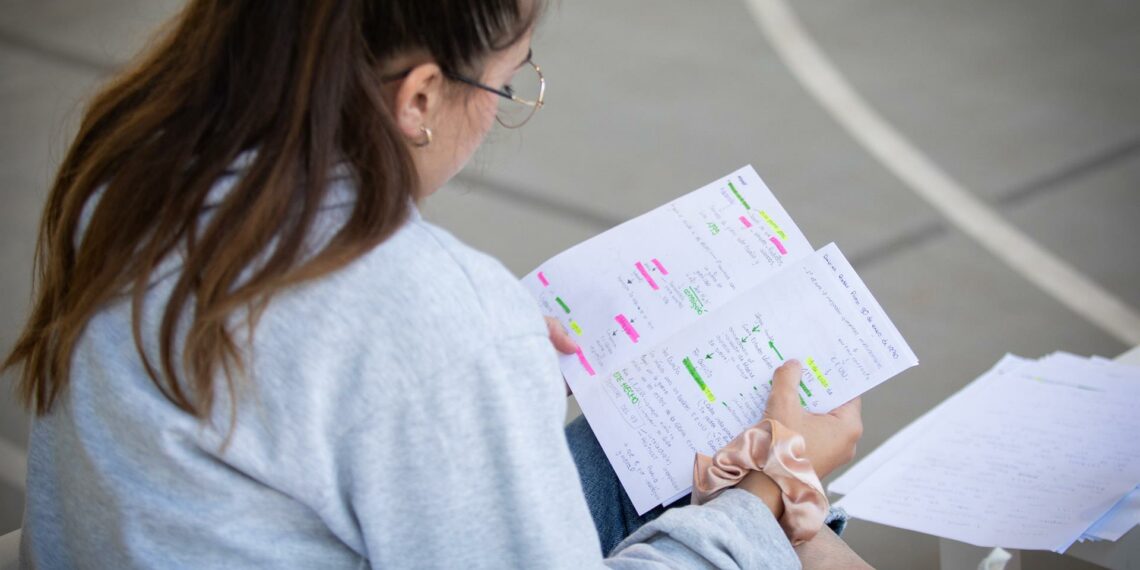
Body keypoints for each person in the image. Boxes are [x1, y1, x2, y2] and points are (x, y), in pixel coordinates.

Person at [5, 0, 870, 567]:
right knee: (790, 504)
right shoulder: (425, 314)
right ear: (420, 96)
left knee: (670, 455)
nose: (504, 105)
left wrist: (476, 365)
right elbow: (384, 340)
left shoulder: (140, 166)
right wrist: (761, 502)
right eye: (509, 79)